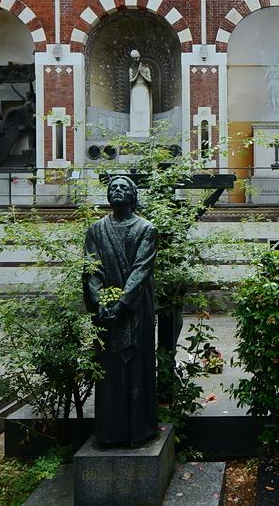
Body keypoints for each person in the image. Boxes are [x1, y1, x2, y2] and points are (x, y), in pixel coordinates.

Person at [83, 175, 158, 447]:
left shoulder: (147, 229)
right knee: (109, 372)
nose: (117, 191)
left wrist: (122, 302)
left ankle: (140, 429)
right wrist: (100, 301)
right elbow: (92, 268)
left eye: (123, 187)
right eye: (113, 187)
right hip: (106, 313)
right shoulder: (96, 230)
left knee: (139, 369)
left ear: (132, 195)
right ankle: (109, 432)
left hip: (137, 310)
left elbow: (141, 269)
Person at [128, 50, 153, 136]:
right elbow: (131, 81)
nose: (135, 59)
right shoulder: (131, 69)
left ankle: (144, 129)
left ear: (139, 57)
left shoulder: (146, 69)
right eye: (133, 58)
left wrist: (142, 73)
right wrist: (137, 73)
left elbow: (149, 81)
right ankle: (135, 129)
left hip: (144, 88)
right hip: (135, 89)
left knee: (143, 109)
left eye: (136, 57)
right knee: (136, 109)